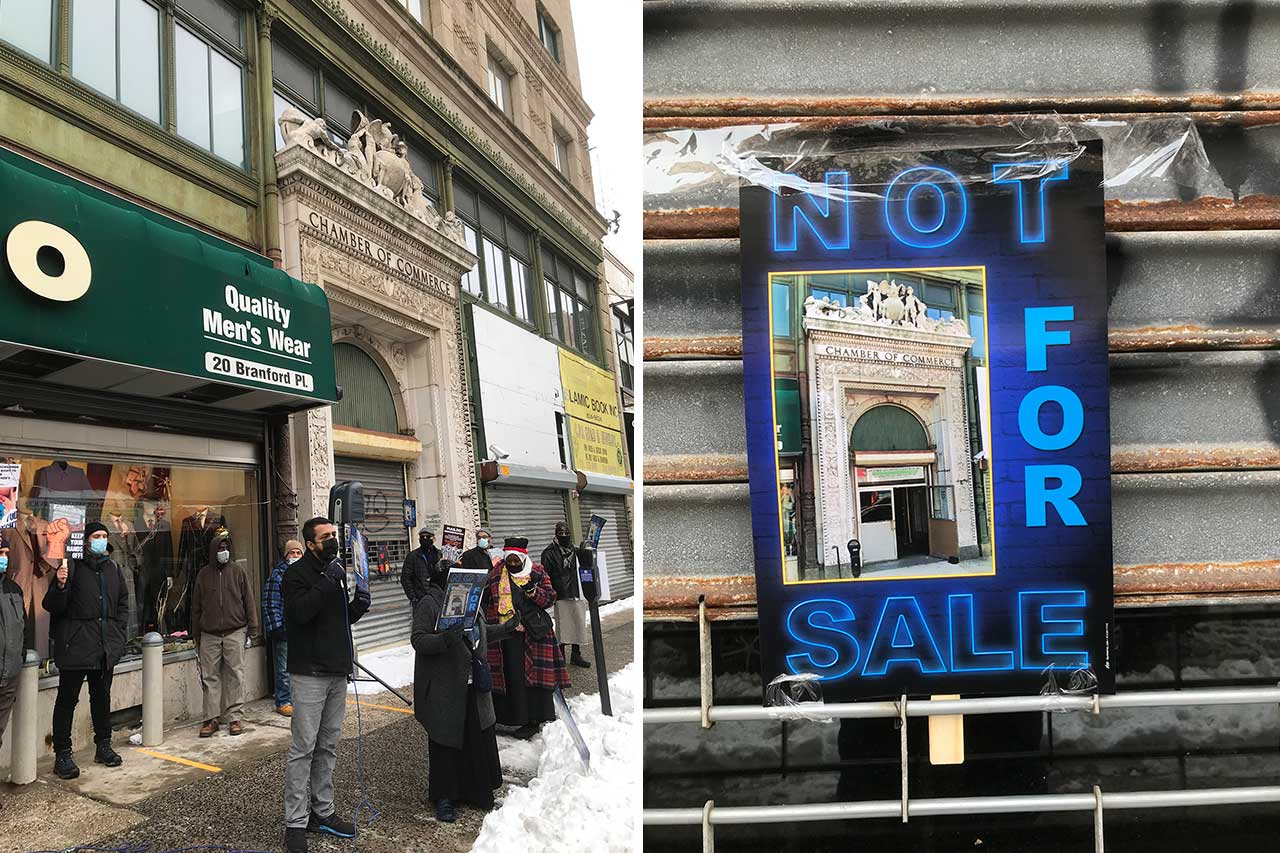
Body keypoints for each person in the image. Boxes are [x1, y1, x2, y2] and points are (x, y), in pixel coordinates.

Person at [282, 516, 371, 853]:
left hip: (336, 670)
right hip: (308, 674)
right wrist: (325, 582)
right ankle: (295, 821)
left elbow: (336, 618)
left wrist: (356, 607)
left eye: (335, 534)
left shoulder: (334, 573)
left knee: (328, 746)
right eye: (326, 536)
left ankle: (323, 811)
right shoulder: (296, 576)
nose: (333, 540)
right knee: (303, 748)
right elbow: (301, 614)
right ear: (310, 544)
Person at [410, 565, 519, 822]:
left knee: (477, 737)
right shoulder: (430, 603)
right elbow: (419, 640)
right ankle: (445, 797)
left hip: (473, 684)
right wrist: (446, 638)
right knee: (446, 741)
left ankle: (478, 791)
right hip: (445, 687)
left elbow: (481, 633)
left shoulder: (472, 601)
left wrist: (506, 628)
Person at [43, 522, 129, 780]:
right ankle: (63, 754)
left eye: (104, 536)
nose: (101, 540)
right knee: (67, 701)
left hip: (104, 647)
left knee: (101, 698)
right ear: (87, 540)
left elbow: (123, 603)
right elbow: (52, 605)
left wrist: (118, 633)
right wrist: (60, 585)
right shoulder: (70, 567)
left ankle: (103, 745)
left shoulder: (113, 569)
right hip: (76, 646)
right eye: (96, 536)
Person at [484, 537, 569, 739]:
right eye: (509, 560)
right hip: (504, 633)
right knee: (508, 677)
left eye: (516, 561)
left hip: (532, 633)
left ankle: (533, 720)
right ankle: (510, 718)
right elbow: (485, 595)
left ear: (523, 558)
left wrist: (533, 591)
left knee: (531, 678)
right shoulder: (496, 573)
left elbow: (549, 598)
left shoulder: (537, 571)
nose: (512, 564)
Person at [191, 529, 259, 738]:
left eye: (226, 548)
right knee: (209, 677)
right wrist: (196, 635)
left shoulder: (238, 571)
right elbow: (196, 608)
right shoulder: (203, 574)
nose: (224, 552)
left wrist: (252, 628)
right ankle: (211, 718)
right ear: (213, 551)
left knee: (235, 675)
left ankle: (234, 718)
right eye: (220, 548)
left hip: (235, 631)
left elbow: (248, 600)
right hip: (209, 634)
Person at [0, 532, 28, 810]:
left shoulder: (13, 590)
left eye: (6, 554)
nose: (4, 559)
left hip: (9, 675)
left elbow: (23, 628)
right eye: (0, 554)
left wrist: (19, 661)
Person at [540, 522, 592, 668]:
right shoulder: (549, 552)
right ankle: (560, 656)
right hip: (560, 593)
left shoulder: (576, 550)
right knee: (562, 627)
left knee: (578, 623)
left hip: (576, 591)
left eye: (566, 532)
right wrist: (550, 593)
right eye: (560, 533)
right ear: (556, 534)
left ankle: (576, 654)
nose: (563, 535)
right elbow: (545, 575)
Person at [263, 539, 303, 717]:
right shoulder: (278, 575)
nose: (295, 556)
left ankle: (297, 699)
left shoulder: (304, 574)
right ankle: (283, 701)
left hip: (302, 630)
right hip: (285, 630)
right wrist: (277, 627)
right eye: (291, 553)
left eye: (298, 553)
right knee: (283, 669)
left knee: (299, 668)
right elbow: (270, 603)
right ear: (285, 555)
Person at [400, 527, 441, 607]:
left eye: (427, 537)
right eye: (422, 537)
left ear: (434, 539)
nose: (425, 539)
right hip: (421, 599)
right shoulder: (412, 556)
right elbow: (405, 578)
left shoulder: (439, 554)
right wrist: (413, 597)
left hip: (438, 598)